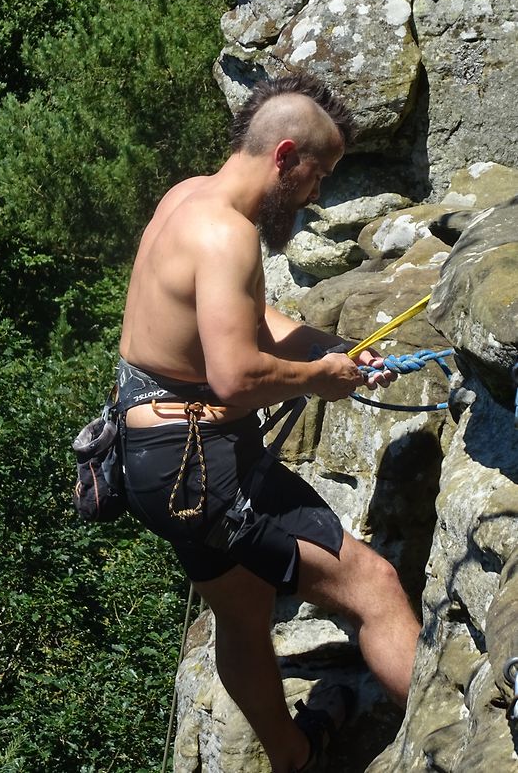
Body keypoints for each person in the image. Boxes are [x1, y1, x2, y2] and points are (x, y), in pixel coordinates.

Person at [117, 71, 421, 773]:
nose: (317, 195)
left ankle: (292, 754)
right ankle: (455, 747)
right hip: (202, 467)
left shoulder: (187, 198)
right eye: (319, 174)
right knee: (373, 588)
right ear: (285, 157)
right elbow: (235, 376)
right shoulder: (227, 234)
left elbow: (245, 321)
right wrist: (322, 379)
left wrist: (328, 347)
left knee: (243, 608)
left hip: (150, 457)